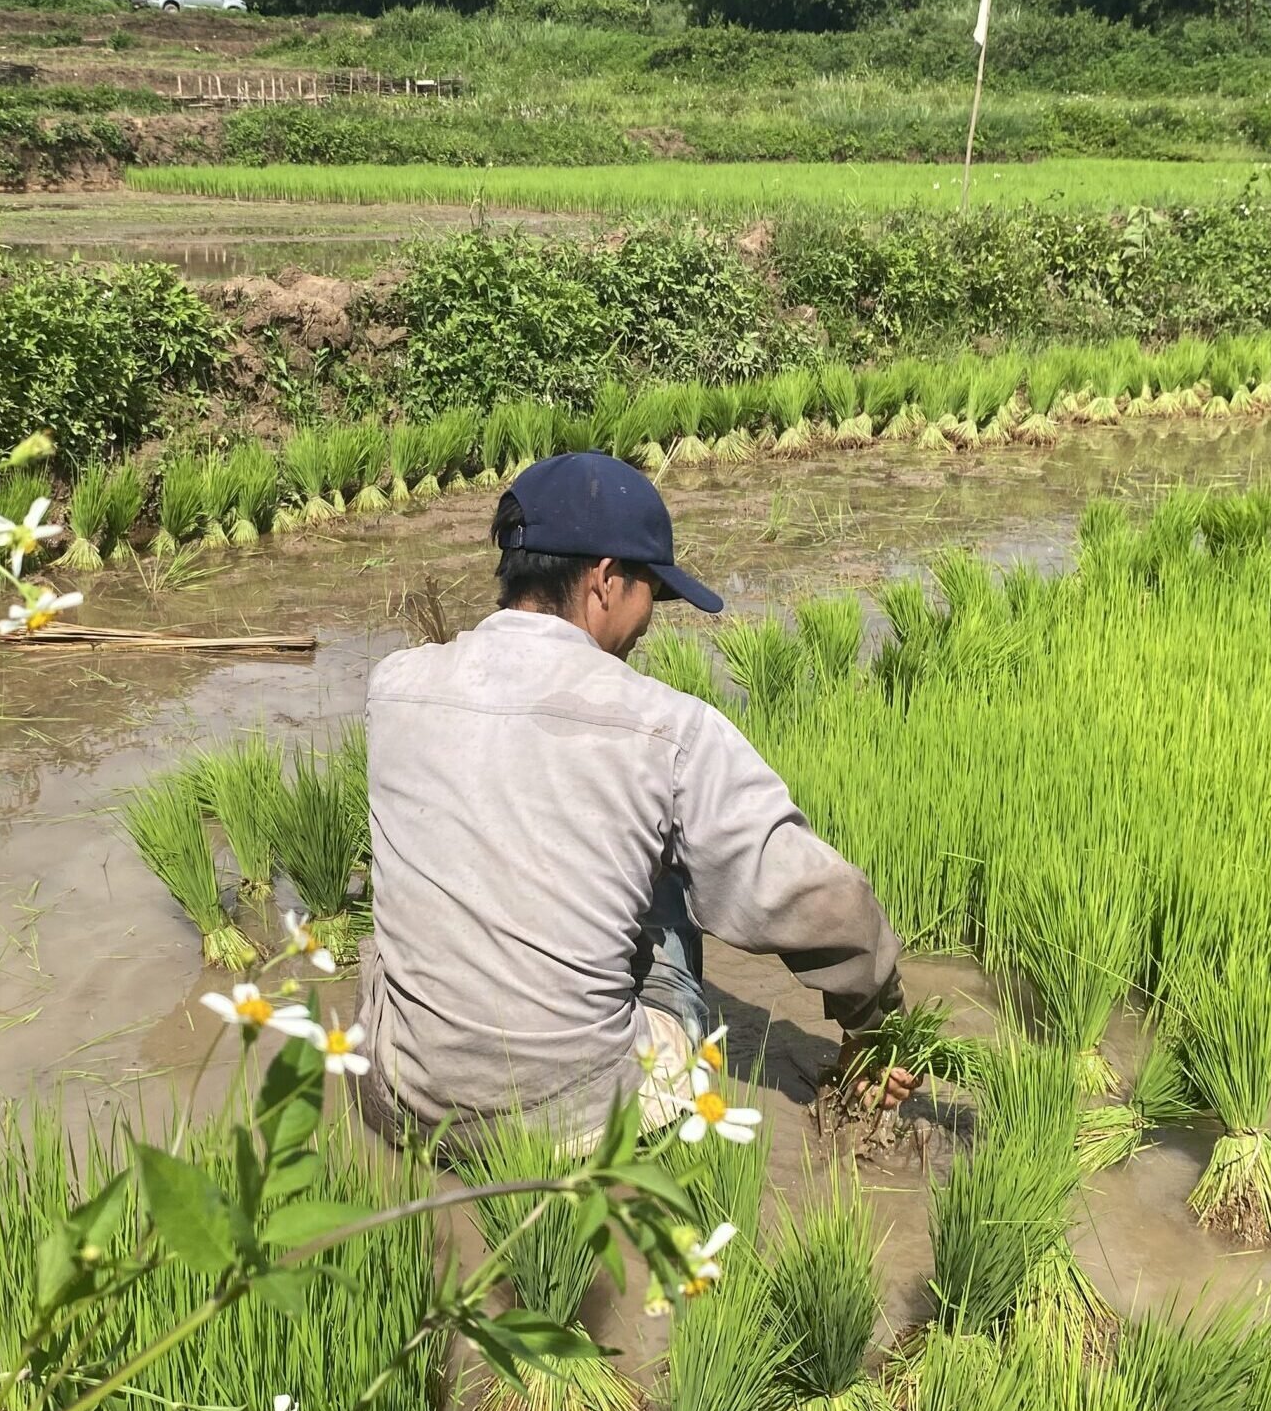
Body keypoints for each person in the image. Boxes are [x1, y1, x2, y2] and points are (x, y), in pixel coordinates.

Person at [355, 450, 920, 1145]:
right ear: (604, 580)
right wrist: (877, 1020)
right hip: (575, 1125)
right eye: (651, 588)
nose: (651, 617)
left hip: (403, 1104)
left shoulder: (394, 684)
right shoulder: (666, 729)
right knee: (670, 878)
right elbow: (824, 900)